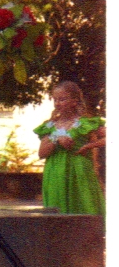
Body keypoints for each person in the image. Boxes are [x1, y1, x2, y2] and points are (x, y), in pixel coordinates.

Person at [36, 81, 104, 216]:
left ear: (74, 101)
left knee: (85, 208)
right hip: (56, 173)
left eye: (62, 99)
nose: (57, 103)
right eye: (55, 100)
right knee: (57, 213)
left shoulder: (85, 123)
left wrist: (89, 146)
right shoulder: (50, 126)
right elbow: (41, 153)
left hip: (80, 172)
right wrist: (56, 140)